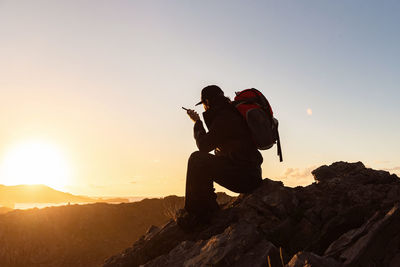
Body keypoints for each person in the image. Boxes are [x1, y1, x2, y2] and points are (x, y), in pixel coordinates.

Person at [178, 85, 263, 228]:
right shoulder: (231, 113)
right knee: (203, 162)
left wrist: (197, 123)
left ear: (207, 102)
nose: (204, 107)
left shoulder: (225, 117)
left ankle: (195, 215)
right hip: (249, 174)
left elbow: (204, 146)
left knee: (197, 159)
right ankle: (207, 208)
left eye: (204, 104)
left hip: (245, 178)